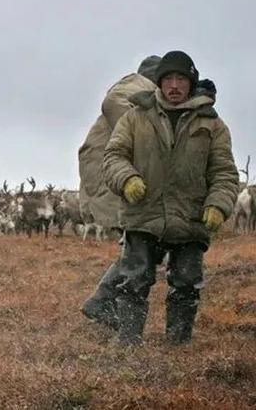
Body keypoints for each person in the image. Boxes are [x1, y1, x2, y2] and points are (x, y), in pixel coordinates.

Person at [102, 51, 239, 345]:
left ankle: (177, 347)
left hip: (189, 218)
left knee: (187, 284)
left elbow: (224, 173)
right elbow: (113, 156)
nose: (174, 85)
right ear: (159, 83)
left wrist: (218, 204)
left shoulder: (212, 124)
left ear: (191, 83)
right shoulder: (135, 117)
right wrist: (127, 178)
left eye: (181, 79)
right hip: (143, 215)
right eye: (168, 79)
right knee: (133, 282)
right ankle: (129, 344)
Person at [78, 55, 161, 329]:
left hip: (112, 177)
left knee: (136, 247)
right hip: (111, 178)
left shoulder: (143, 92)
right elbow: (112, 102)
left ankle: (105, 305)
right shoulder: (138, 84)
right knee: (138, 247)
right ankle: (103, 304)